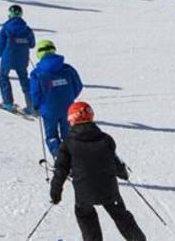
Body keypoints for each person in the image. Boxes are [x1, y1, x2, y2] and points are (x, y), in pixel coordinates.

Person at [50, 102, 146, 241]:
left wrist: (55, 193)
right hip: (109, 190)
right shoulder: (105, 139)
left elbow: (61, 171)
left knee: (85, 215)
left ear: (71, 120)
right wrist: (123, 173)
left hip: (84, 193)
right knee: (121, 215)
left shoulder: (68, 144)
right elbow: (114, 160)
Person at [29, 39, 83, 154]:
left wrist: (36, 106)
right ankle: (73, 158)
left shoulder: (37, 73)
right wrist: (70, 97)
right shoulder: (67, 69)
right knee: (68, 135)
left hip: (48, 110)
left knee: (52, 136)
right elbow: (78, 85)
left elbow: (35, 93)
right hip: (68, 108)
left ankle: (60, 159)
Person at [0, 4, 35, 113]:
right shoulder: (27, 29)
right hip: (22, 59)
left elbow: (0, 44)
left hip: (7, 58)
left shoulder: (6, 28)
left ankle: (8, 103)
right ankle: (31, 105)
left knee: (3, 78)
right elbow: (32, 44)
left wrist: (1, 54)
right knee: (24, 79)